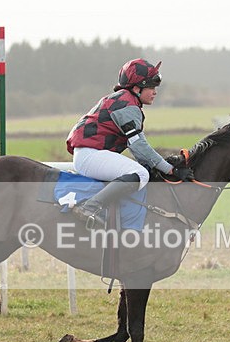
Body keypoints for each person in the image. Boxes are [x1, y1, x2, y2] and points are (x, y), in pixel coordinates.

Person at [66, 58, 193, 228]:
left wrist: (158, 165)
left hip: (91, 153)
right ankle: (90, 206)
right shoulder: (126, 105)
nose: (155, 92)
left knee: (143, 170)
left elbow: (138, 146)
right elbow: (139, 146)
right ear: (136, 88)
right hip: (90, 156)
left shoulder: (125, 100)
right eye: (150, 87)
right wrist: (170, 169)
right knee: (141, 174)